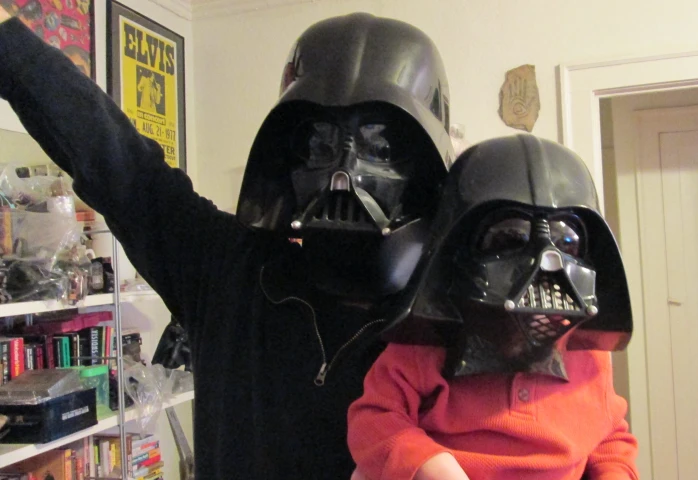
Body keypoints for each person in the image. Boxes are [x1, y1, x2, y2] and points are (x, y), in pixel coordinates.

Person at [0, 9, 453, 478]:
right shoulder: (227, 272)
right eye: (319, 141)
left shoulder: (453, 316)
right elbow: (117, 163)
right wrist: (9, 46)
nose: (343, 172)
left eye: (381, 146)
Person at [347, 134, 638, 480]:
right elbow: (374, 419)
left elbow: (609, 436)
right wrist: (426, 465)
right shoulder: (424, 348)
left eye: (567, 241)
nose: (547, 263)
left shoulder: (588, 356)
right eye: (510, 238)